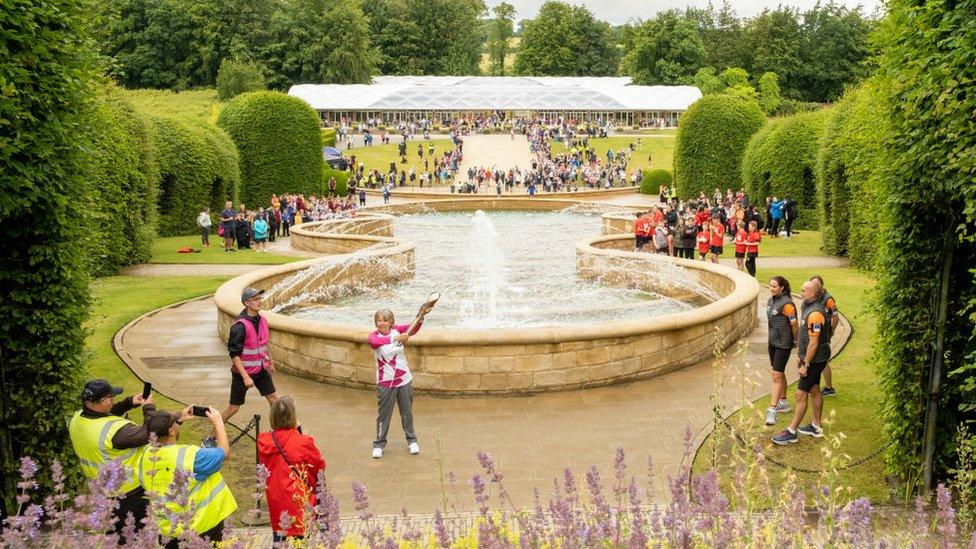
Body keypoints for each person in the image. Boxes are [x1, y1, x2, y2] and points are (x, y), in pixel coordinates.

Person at [141, 406, 237, 547]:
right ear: (171, 431)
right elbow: (224, 452)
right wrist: (219, 423)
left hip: (169, 529)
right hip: (201, 528)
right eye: (175, 423)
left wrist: (178, 420)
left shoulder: (146, 454)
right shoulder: (192, 457)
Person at [69, 379, 154, 536]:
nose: (112, 399)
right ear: (102, 401)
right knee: (133, 539)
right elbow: (149, 434)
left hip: (101, 494)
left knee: (112, 536)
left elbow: (100, 416)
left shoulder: (76, 419)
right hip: (128, 496)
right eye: (111, 397)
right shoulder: (116, 433)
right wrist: (148, 408)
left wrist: (129, 403)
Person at [258, 397, 326, 547]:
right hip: (298, 498)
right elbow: (319, 466)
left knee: (280, 534)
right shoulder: (304, 441)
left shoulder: (264, 441)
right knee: (301, 539)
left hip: (276, 498)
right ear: (293, 417)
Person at [368, 303, 433, 458]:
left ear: (391, 322)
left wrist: (421, 315)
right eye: (378, 320)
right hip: (385, 382)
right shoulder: (375, 336)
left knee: (406, 412)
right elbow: (374, 343)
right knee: (384, 415)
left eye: (384, 320)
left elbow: (413, 327)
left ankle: (412, 441)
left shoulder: (399, 329)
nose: (381, 323)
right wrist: (395, 338)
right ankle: (379, 444)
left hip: (404, 380)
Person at [772, 280, 833, 445]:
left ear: (813, 293)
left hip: (814, 360)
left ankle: (791, 431)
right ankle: (816, 426)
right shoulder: (808, 306)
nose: (801, 292)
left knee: (800, 394)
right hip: (814, 358)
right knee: (814, 389)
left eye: (804, 290)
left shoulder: (815, 314)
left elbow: (814, 343)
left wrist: (805, 363)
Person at [219, 287, 279, 431]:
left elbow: (264, 343)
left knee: (275, 400)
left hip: (261, 370)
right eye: (256, 299)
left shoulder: (263, 320)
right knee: (234, 408)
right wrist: (246, 377)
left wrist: (270, 361)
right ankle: (212, 435)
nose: (259, 301)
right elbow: (234, 354)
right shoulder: (240, 326)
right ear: (247, 303)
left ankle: (281, 433)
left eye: (260, 299)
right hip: (242, 374)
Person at [764, 277, 797, 426]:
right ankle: (783, 401)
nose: (771, 288)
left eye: (774, 286)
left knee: (776, 375)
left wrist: (795, 341)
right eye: (770, 286)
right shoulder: (771, 301)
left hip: (784, 344)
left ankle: (773, 410)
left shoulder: (787, 304)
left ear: (782, 288)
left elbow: (794, 325)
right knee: (779, 372)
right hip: (772, 342)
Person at [811, 275, 840, 397]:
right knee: (818, 360)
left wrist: (831, 332)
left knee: (823, 362)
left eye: (817, 283)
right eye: (813, 284)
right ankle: (815, 386)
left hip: (823, 335)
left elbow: (835, 317)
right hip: (816, 333)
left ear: (821, 285)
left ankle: (829, 388)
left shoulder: (828, 299)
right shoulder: (814, 297)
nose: (815, 286)